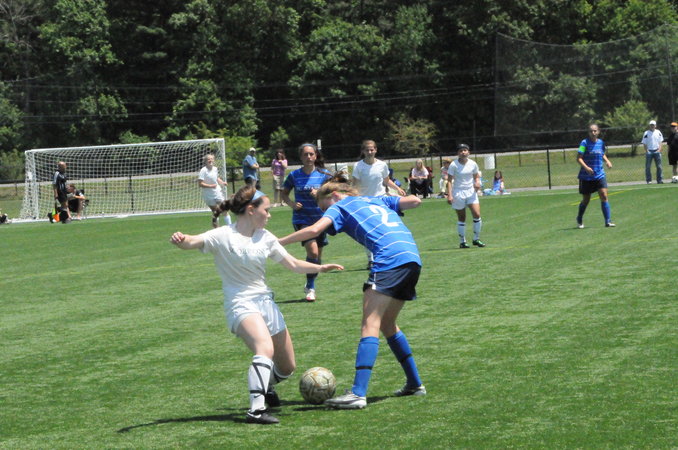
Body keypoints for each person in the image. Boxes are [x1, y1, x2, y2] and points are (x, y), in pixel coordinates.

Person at [169, 185, 343, 425]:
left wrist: (320, 267)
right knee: (264, 348)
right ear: (251, 209)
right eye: (266, 210)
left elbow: (293, 264)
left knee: (287, 367)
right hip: (240, 303)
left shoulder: (266, 237)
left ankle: (265, 385)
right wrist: (181, 239)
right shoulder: (223, 235)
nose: (269, 215)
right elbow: (193, 241)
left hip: (265, 302)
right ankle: (256, 410)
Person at [279, 175, 425, 409]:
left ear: (335, 195)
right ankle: (415, 383)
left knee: (370, 324)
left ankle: (358, 393)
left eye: (324, 207)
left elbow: (314, 230)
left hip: (389, 259)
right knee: (388, 324)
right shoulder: (376, 200)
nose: (325, 212)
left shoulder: (340, 205)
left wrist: (278, 242)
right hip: (411, 258)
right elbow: (414, 201)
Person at [281, 143, 332, 302]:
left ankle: (310, 282)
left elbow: (334, 194)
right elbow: (284, 194)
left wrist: (320, 194)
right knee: (313, 252)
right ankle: (311, 288)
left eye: (311, 154)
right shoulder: (294, 175)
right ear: (301, 157)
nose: (309, 157)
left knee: (317, 258)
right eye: (305, 154)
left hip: (321, 219)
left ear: (316, 156)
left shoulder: (324, 175)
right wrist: (291, 204)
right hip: (302, 219)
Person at [352, 140, 406, 269]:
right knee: (368, 231)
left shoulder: (382, 165)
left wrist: (397, 189)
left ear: (375, 150)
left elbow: (386, 180)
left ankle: (386, 256)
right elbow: (355, 184)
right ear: (363, 151)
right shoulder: (358, 166)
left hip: (381, 200)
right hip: (365, 201)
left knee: (383, 229)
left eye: (372, 149)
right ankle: (370, 259)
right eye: (367, 150)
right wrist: (353, 198)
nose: (370, 152)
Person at [576, 123, 615, 228]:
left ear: (598, 131)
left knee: (604, 196)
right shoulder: (584, 143)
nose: (593, 133)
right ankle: (579, 217)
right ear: (588, 132)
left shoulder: (601, 143)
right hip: (586, 176)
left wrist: (607, 161)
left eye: (595, 131)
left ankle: (608, 221)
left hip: (599, 174)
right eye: (591, 131)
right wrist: (586, 168)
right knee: (586, 200)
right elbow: (579, 158)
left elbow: (602, 153)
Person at [446, 144, 485, 248]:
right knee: (462, 217)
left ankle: (476, 239)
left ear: (468, 152)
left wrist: (477, 182)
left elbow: (476, 176)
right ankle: (462, 241)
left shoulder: (473, 164)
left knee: (477, 214)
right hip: (458, 192)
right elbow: (449, 180)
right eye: (461, 151)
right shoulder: (453, 165)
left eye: (465, 150)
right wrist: (449, 195)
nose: (463, 152)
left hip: (471, 192)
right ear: (458, 153)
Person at [198, 154, 229, 228]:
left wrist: (222, 183)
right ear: (205, 161)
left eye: (212, 159)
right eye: (208, 159)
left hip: (217, 192)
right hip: (208, 195)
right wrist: (210, 186)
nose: (210, 160)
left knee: (224, 209)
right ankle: (216, 229)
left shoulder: (215, 169)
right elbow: (200, 184)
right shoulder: (203, 170)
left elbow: (217, 178)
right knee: (215, 212)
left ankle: (230, 226)